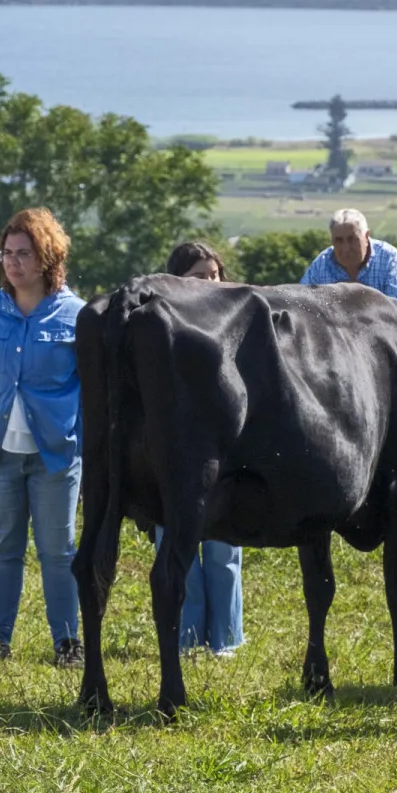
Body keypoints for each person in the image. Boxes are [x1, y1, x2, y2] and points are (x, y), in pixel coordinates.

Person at [0, 207, 87, 667]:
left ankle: (67, 643)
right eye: (7, 253)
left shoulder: (78, 316)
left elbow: (92, 391)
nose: (13, 262)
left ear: (47, 257)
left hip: (56, 457)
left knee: (59, 552)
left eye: (24, 253)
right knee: (3, 548)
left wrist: (80, 443)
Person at [153, 241, 244, 658]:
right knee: (176, 549)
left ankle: (226, 639)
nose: (210, 283)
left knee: (225, 550)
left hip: (227, 452)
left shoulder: (243, 325)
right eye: (198, 277)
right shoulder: (157, 329)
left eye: (214, 274)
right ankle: (187, 638)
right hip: (175, 453)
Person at [300, 208, 397, 306]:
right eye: (339, 241)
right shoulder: (321, 264)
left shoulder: (390, 261)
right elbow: (301, 305)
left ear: (366, 237)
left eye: (352, 239)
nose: (346, 248)